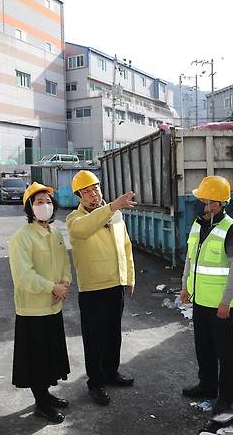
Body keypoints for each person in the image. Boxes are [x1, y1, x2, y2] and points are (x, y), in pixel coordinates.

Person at [66, 170, 137, 406]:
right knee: (94, 339)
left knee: (113, 334)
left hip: (115, 284)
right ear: (79, 197)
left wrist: (129, 277)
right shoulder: (75, 220)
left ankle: (111, 373)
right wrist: (112, 206)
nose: (92, 193)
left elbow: (126, 246)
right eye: (86, 191)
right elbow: (85, 228)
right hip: (93, 289)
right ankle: (95, 382)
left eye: (95, 188)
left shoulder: (114, 215)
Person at [180, 176, 233, 417]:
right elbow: (190, 258)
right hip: (200, 301)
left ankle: (226, 397)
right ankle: (207, 385)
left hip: (221, 305)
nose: (198, 203)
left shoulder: (232, 230)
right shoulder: (199, 224)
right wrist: (185, 286)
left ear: (216, 203)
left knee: (224, 353)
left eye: (202, 200)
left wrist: (226, 302)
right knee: (203, 348)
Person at [9, 182, 72, 424]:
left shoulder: (55, 233)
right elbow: (23, 276)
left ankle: (46, 394)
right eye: (38, 202)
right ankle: (41, 403)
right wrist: (52, 287)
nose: (44, 206)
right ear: (29, 208)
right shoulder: (21, 238)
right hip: (32, 309)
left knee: (49, 355)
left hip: (54, 305)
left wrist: (64, 284)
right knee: (37, 359)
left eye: (47, 201)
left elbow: (64, 262)